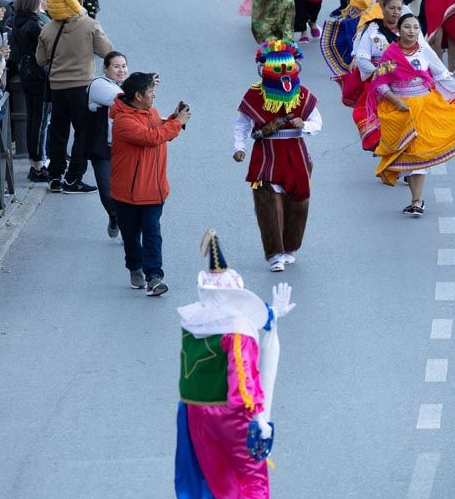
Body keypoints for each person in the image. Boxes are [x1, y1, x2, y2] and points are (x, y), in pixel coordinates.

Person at [174, 230, 294, 499]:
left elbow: (228, 315)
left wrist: (272, 314)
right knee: (250, 478)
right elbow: (242, 383)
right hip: (229, 416)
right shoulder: (237, 331)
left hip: (193, 413)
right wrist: (258, 417)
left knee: (210, 476)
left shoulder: (193, 320)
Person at [369, 13, 455, 216]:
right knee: (408, 155)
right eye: (407, 27)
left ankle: (417, 201)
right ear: (399, 30)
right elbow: (381, 84)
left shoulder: (424, 51)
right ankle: (416, 198)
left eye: (416, 28)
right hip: (401, 110)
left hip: (425, 107)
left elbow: (441, 74)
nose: (412, 31)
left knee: (419, 153)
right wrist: (397, 101)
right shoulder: (390, 54)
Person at [233, 40, 321, 273]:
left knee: (298, 203)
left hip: (296, 154)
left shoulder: (302, 94)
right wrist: (239, 147)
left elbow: (317, 121)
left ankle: (290, 247)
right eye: (277, 69)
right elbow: (242, 125)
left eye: (287, 69)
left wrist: (306, 125)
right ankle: (274, 254)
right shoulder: (254, 94)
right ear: (264, 70)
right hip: (267, 155)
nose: (283, 74)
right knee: (267, 205)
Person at [35, 0, 113, 193]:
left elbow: (40, 59)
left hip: (57, 87)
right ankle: (73, 177)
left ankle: (55, 176)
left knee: (58, 133)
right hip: (82, 86)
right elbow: (106, 51)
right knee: (83, 133)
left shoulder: (48, 28)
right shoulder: (89, 25)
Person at [109, 71, 190, 297]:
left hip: (154, 190)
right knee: (131, 235)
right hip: (129, 193)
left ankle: (154, 276)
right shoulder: (124, 121)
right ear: (137, 95)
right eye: (151, 92)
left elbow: (159, 131)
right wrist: (176, 124)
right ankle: (134, 267)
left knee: (152, 232)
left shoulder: (150, 112)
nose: (154, 96)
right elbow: (150, 138)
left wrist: (174, 119)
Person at [348, 0, 402, 151]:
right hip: (377, 82)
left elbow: (422, 54)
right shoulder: (372, 29)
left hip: (404, 82)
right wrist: (380, 75)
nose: (396, 12)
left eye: (399, 8)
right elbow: (363, 59)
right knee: (378, 124)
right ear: (382, 9)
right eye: (392, 8)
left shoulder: (408, 27)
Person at [9, 0, 49, 182]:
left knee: (33, 117)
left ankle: (36, 162)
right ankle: (38, 165)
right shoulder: (34, 25)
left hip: (26, 71)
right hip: (38, 73)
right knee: (39, 119)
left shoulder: (16, 21)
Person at [87, 51, 126, 238]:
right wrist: (143, 89)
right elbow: (121, 101)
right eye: (116, 66)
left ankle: (128, 227)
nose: (121, 70)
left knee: (129, 192)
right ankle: (114, 215)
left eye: (124, 66)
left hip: (125, 150)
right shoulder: (99, 85)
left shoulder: (127, 88)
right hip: (103, 149)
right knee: (107, 192)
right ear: (105, 68)